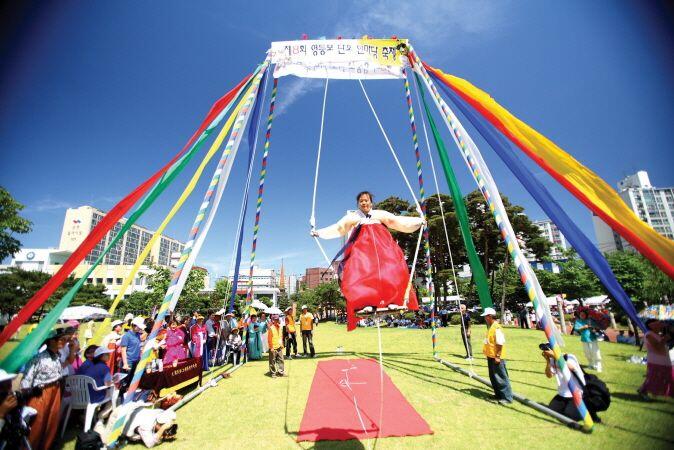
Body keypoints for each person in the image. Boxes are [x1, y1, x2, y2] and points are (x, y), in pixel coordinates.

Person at [311, 191, 424, 330]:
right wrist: (319, 232)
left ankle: (393, 301)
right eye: (361, 201)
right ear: (358, 203)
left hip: (383, 248)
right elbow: (339, 228)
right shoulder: (353, 217)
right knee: (362, 275)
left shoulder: (380, 214)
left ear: (371, 202)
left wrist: (418, 221)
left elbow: (396, 221)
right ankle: (366, 303)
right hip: (362, 251)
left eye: (366, 200)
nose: (364, 203)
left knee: (392, 271)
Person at [21, 328, 67, 450]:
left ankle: (46, 445)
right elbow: (26, 379)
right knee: (38, 422)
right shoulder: (39, 358)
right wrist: (29, 392)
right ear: (51, 341)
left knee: (51, 420)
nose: (64, 341)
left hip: (55, 390)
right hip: (41, 392)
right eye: (61, 339)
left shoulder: (57, 356)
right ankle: (30, 446)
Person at [97, 402, 177, 448]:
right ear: (159, 424)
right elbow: (150, 444)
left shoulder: (160, 412)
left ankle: (104, 413)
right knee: (105, 442)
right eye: (164, 426)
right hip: (117, 420)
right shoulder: (147, 424)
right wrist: (162, 430)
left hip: (124, 408)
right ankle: (98, 421)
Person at [540, 343, 585, 420]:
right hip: (563, 394)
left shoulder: (569, 356)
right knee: (550, 411)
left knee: (570, 416)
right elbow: (549, 375)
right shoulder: (552, 360)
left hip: (577, 392)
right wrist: (547, 361)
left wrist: (555, 356)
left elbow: (571, 367)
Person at [481, 307, 513, 404]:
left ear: (490, 316)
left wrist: (498, 356)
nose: (485, 318)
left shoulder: (496, 328)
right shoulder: (491, 327)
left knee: (501, 377)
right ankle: (498, 395)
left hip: (496, 357)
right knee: (494, 377)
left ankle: (507, 398)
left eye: (486, 316)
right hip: (491, 356)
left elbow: (500, 343)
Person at [638, 319, 673, 399]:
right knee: (653, 378)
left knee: (666, 377)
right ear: (652, 326)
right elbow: (657, 347)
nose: (660, 324)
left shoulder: (658, 334)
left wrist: (666, 337)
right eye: (658, 323)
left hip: (664, 361)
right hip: (656, 361)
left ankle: (642, 390)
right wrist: (665, 339)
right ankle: (643, 391)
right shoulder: (649, 334)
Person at [120, 317, 145, 393]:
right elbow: (123, 350)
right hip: (129, 361)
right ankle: (122, 397)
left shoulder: (137, 335)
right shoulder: (126, 336)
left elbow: (141, 340)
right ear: (134, 325)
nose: (140, 328)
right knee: (125, 381)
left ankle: (129, 394)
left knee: (132, 379)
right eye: (139, 327)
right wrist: (125, 363)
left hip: (136, 360)